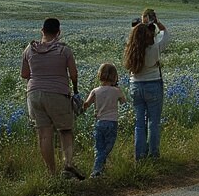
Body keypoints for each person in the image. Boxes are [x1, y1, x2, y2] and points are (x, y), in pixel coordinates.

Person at [20, 18, 84, 180]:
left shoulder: (29, 49)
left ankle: (51, 173)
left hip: (34, 95)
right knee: (65, 129)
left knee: (44, 134)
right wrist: (75, 89)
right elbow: (74, 74)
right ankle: (68, 165)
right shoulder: (64, 50)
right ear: (59, 32)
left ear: (42, 30)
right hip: (57, 93)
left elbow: (24, 75)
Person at [123, 8, 170, 160]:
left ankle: (139, 157)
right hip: (153, 85)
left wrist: (137, 27)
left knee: (139, 124)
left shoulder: (130, 49)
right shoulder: (155, 47)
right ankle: (154, 155)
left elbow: (134, 36)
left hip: (135, 86)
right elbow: (165, 33)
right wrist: (156, 23)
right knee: (153, 123)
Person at [83, 62, 126, 177]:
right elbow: (123, 102)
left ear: (99, 75)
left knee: (99, 147)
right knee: (107, 147)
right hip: (112, 123)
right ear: (115, 76)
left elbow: (86, 104)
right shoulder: (117, 91)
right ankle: (97, 170)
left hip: (99, 123)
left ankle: (100, 169)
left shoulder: (95, 91)